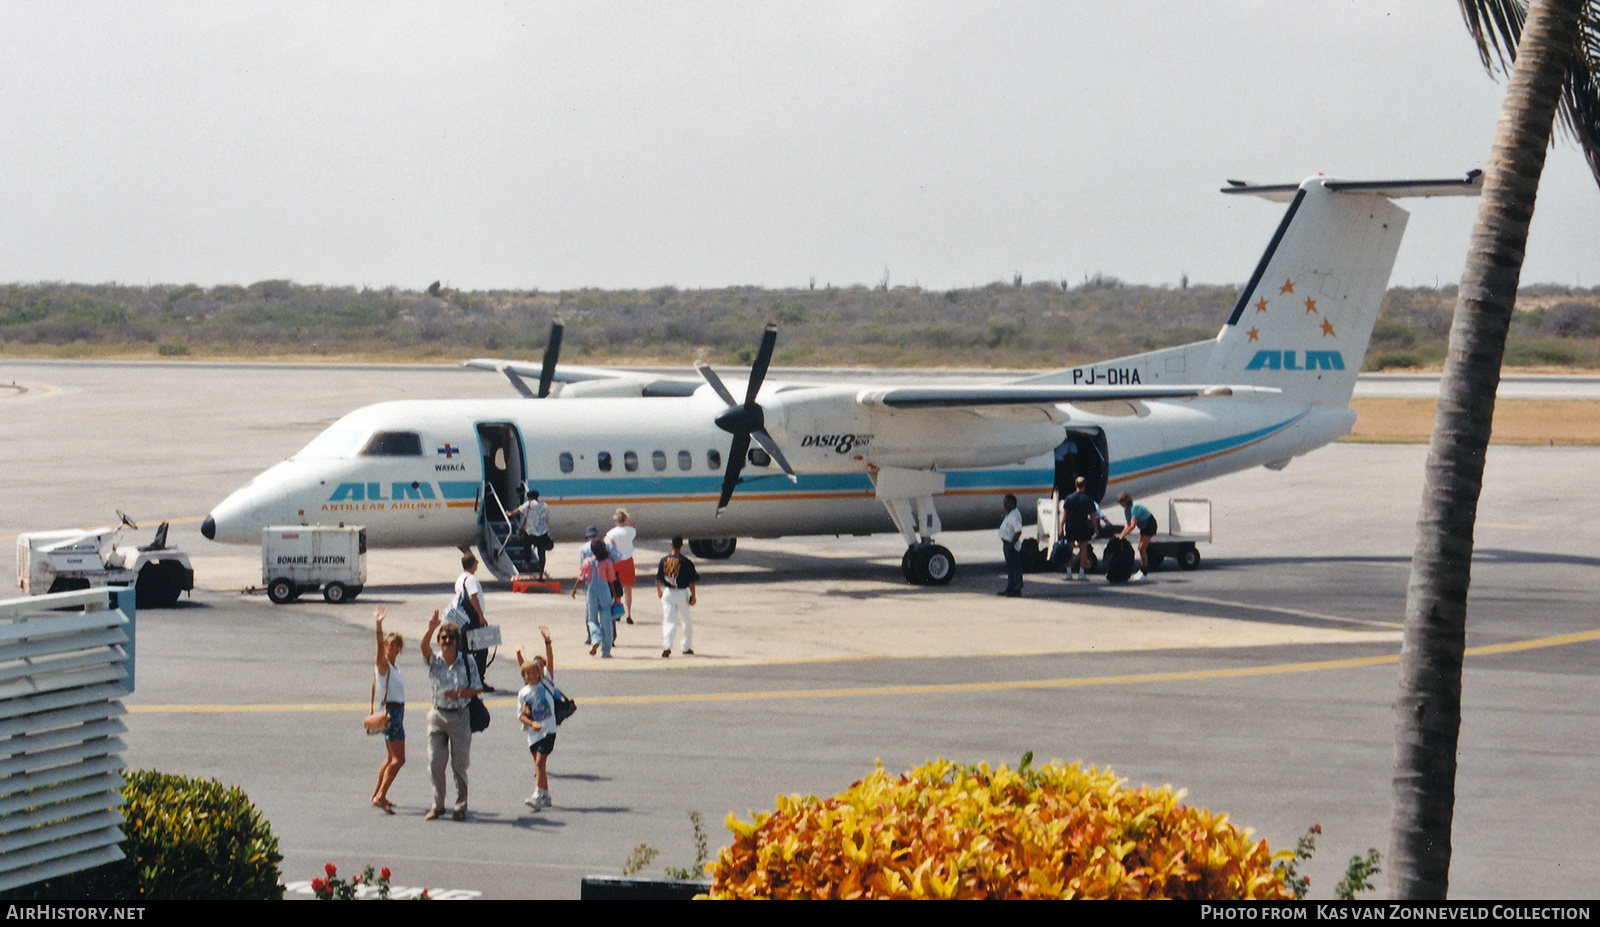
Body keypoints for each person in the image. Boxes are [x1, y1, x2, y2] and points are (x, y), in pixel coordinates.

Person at [421, 610, 481, 821]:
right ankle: (438, 805)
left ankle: (460, 804)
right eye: (443, 638)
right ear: (439, 641)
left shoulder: (467, 661)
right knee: (435, 762)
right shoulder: (435, 660)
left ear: (457, 642)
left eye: (451, 638)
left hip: (459, 716)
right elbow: (423, 648)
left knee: (459, 765)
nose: (447, 641)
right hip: (438, 715)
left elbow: (477, 688)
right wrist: (431, 629)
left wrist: (459, 694)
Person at [516, 626, 559, 810]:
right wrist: (530, 722)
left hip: (548, 729)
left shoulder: (546, 682)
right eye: (529, 673)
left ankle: (537, 795)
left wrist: (547, 641)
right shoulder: (523, 692)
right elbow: (520, 716)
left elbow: (550, 661)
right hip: (533, 733)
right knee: (538, 765)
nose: (533, 675)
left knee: (540, 763)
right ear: (524, 676)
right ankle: (546, 795)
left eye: (536, 672)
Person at [370, 606, 405, 814]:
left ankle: (377, 794)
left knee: (390, 757)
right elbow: (377, 646)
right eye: (390, 646)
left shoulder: (394, 668)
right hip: (392, 713)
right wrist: (379, 625)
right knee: (399, 759)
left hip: (395, 712)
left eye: (396, 647)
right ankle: (381, 796)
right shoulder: (383, 666)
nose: (393, 649)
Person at [451, 553, 495, 691]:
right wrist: (480, 616)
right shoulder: (471, 580)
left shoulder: (460, 579)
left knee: (464, 650)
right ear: (473, 564)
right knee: (481, 650)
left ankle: (464, 679)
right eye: (476, 562)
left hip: (462, 618)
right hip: (473, 618)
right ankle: (478, 680)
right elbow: (473, 597)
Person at [571, 537, 618, 657]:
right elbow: (611, 579)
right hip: (604, 591)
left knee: (592, 618)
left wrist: (574, 590)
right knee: (606, 619)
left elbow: (581, 577)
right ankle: (606, 651)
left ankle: (596, 638)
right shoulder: (607, 562)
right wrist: (615, 594)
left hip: (591, 591)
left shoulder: (587, 561)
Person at [656, 535, 699, 657]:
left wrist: (659, 591)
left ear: (671, 545)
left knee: (669, 620)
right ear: (682, 545)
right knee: (686, 621)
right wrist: (693, 596)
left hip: (668, 592)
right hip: (681, 592)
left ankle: (667, 646)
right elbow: (691, 582)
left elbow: (658, 578)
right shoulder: (686, 562)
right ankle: (686, 646)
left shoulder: (664, 561)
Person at [1060, 477, 1102, 581]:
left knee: (1069, 548)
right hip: (1083, 525)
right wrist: (1095, 528)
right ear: (1085, 485)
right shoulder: (1088, 499)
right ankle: (1081, 572)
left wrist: (1061, 527)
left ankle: (1069, 572)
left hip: (1070, 525)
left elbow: (1064, 515)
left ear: (1075, 485)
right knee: (1083, 549)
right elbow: (1093, 515)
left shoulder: (1069, 498)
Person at [507, 487, 552, 577]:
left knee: (527, 547)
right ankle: (540, 573)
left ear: (529, 497)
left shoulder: (529, 504)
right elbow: (547, 519)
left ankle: (528, 564)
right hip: (542, 532)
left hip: (531, 532)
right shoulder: (544, 505)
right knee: (541, 554)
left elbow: (517, 511)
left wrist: (509, 514)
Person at [1116, 492, 1159, 582]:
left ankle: (1145, 572)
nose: (1121, 505)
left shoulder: (1134, 507)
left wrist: (1123, 535)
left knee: (1142, 548)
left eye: (1122, 502)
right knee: (1139, 548)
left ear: (1126, 501)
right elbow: (1127, 525)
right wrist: (1121, 535)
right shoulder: (1126, 510)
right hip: (1143, 526)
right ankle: (1142, 570)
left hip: (1149, 525)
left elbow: (1132, 526)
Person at [605, 509, 638, 624]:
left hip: (615, 562)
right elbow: (632, 527)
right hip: (627, 560)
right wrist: (628, 520)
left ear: (616, 520)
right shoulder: (630, 531)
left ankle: (617, 611)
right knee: (628, 589)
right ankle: (629, 614)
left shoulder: (611, 533)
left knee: (615, 588)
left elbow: (610, 546)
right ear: (625, 519)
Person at [998, 494, 1024, 597]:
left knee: (1015, 568)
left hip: (1011, 545)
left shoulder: (1015, 515)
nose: (1004, 505)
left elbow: (1018, 531)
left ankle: (1017, 589)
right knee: (1010, 568)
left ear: (1012, 504)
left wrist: (1011, 544)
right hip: (1007, 544)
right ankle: (1010, 588)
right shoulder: (1009, 514)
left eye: (1007, 503)